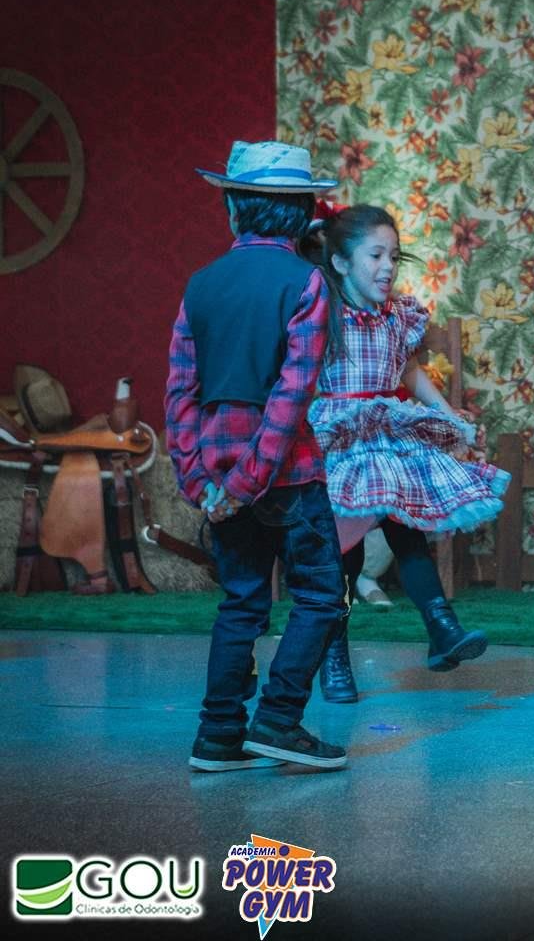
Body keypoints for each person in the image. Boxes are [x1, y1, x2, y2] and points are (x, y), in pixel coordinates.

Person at [168, 140, 347, 772]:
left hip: (218, 475)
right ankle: (277, 721)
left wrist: (202, 482)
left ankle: (217, 735)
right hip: (287, 474)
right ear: (302, 213)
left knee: (241, 600)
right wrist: (249, 481)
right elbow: (290, 398)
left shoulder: (200, 285)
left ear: (234, 208)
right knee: (320, 594)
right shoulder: (307, 282)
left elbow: (180, 392)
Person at [304, 204, 509, 702]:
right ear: (340, 262)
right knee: (345, 553)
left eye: (394, 256)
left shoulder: (396, 315)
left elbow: (407, 370)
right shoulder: (323, 311)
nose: (388, 267)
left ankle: (441, 624)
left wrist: (446, 411)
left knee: (406, 525)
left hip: (386, 430)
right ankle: (334, 653)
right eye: (375, 255)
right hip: (342, 436)